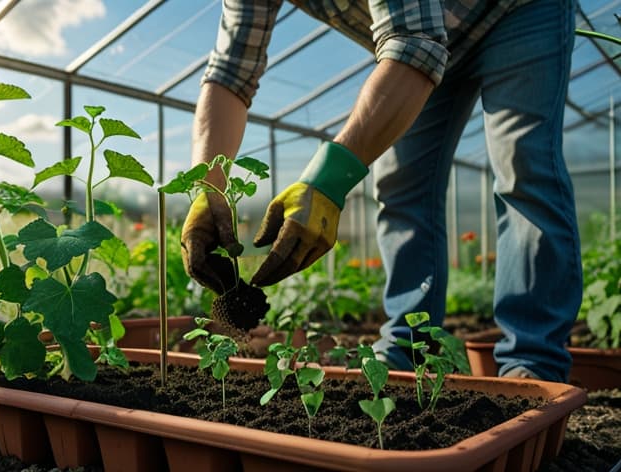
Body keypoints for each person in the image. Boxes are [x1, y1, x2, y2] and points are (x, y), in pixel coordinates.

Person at [179, 0, 581, 382]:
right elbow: (230, 72)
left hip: (513, 11)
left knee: (523, 165)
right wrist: (206, 188)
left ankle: (532, 361)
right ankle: (405, 350)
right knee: (401, 186)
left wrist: (327, 182)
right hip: (426, 36)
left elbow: (414, 43)